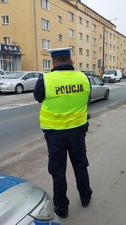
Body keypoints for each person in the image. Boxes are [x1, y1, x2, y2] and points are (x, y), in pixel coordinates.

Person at [33, 47, 92, 219]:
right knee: (80, 166)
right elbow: (86, 98)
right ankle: (86, 197)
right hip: (78, 132)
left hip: (55, 135)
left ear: (53, 62)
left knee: (58, 171)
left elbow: (38, 98)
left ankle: (62, 208)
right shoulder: (84, 77)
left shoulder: (45, 79)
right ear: (71, 61)